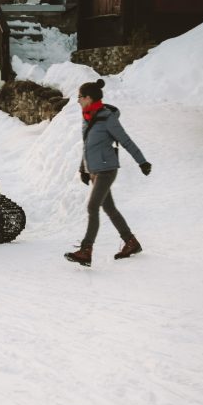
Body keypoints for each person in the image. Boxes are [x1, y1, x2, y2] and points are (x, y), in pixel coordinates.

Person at [65, 78, 152, 267]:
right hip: (95, 170)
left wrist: (142, 162)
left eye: (80, 97)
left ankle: (86, 250)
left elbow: (126, 140)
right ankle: (131, 242)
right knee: (109, 208)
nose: (78, 100)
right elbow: (88, 146)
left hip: (107, 170)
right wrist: (83, 169)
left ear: (89, 98)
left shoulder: (107, 118)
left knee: (92, 207)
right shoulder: (87, 117)